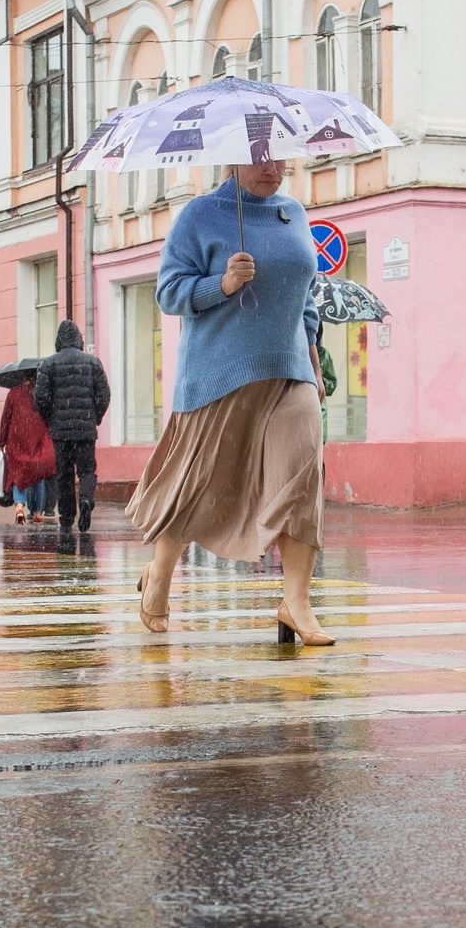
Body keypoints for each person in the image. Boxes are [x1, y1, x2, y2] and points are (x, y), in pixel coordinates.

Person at [130, 157, 331, 645]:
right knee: (198, 485)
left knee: (302, 481)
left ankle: (296, 603)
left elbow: (305, 296)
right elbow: (169, 292)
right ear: (234, 159)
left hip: (289, 371)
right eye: (260, 157)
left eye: (280, 156)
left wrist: (313, 360)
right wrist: (221, 284)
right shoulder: (201, 215)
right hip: (218, 374)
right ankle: (159, 576)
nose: (273, 166)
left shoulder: (294, 214)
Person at [33, 319, 109, 535]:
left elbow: (41, 397)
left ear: (59, 340)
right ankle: (86, 499)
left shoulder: (48, 364)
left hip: (60, 432)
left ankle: (67, 517)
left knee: (64, 474)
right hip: (85, 429)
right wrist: (95, 417)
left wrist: (51, 419)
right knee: (87, 470)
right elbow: (104, 394)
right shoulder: (93, 363)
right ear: (78, 339)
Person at [0, 366, 55, 525]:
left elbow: (5, 419)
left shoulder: (14, 393)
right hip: (38, 441)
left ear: (23, 377)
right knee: (38, 475)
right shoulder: (42, 393)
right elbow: (49, 417)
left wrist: (2, 441)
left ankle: (19, 507)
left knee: (18, 474)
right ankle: (37, 512)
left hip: (17, 440)